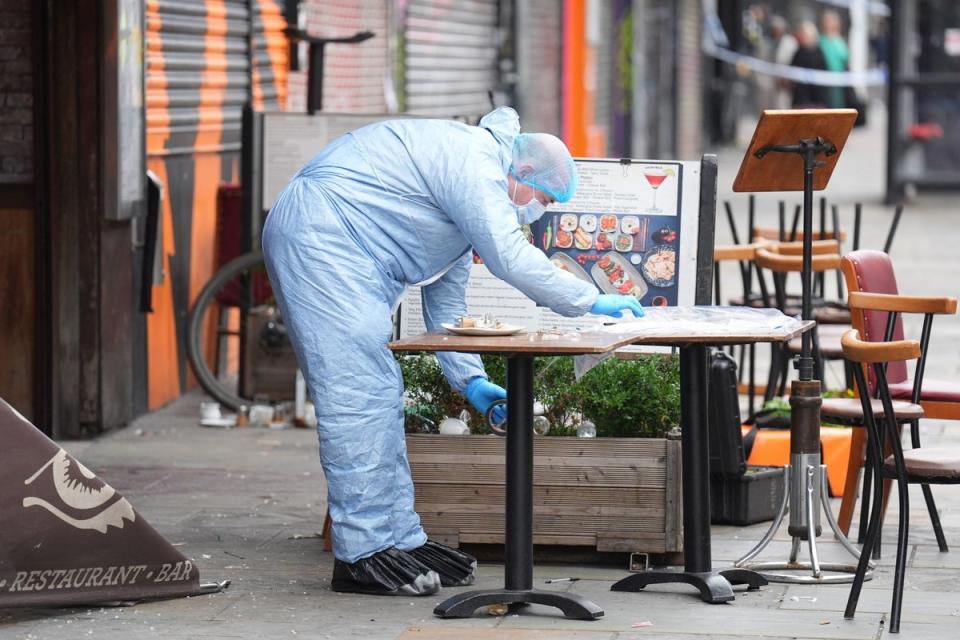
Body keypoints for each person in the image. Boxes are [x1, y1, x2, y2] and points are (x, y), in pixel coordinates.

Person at [261, 107, 643, 597]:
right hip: (322, 238)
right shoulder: (475, 163)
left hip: (345, 246)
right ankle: (361, 553)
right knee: (359, 395)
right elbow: (509, 256)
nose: (537, 211)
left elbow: (449, 305)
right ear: (522, 172)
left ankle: (399, 539)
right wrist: (589, 299)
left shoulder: (472, 194)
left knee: (380, 393)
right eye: (541, 199)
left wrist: (472, 382)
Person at [790, 21, 829, 108]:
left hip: (816, 99)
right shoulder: (798, 52)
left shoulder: (818, 53)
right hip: (800, 98)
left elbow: (824, 76)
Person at [818, 10, 850, 109]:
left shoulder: (839, 41)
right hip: (825, 84)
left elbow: (845, 59)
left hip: (840, 83)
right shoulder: (820, 40)